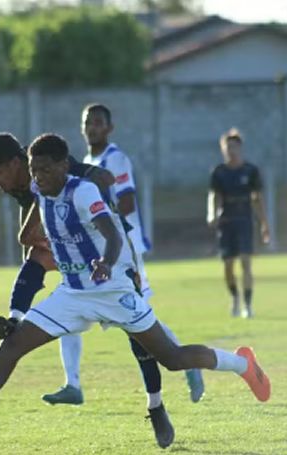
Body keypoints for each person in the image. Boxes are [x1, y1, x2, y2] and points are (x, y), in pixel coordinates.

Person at [0, 133, 271, 452]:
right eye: (35, 172)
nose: (39, 178)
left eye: (46, 171)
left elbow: (112, 234)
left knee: (172, 358)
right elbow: (31, 242)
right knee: (13, 345)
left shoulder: (82, 192)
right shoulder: (39, 189)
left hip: (112, 290)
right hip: (72, 294)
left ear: (64, 167)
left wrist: (106, 262)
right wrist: (17, 308)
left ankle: (243, 365)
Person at [0, 132, 175, 447]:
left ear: (17, 164)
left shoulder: (42, 165)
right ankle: (20, 325)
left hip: (113, 253)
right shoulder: (24, 188)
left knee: (139, 335)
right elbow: (28, 235)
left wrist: (94, 220)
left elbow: (101, 177)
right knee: (33, 261)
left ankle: (156, 404)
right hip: (75, 259)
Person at [75, 102, 205, 403]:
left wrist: (102, 219)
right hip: (107, 250)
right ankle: (73, 383)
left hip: (126, 248)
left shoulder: (115, 159)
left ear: (109, 128)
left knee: (140, 315)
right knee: (134, 317)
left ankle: (189, 362)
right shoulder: (86, 160)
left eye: (97, 122)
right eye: (87, 123)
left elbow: (128, 202)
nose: (91, 128)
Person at [207, 128, 270, 318]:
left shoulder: (250, 171)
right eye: (227, 147)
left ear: (240, 148)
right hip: (227, 221)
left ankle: (248, 305)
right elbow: (214, 195)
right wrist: (212, 214)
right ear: (222, 149)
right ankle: (235, 297)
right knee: (228, 266)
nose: (230, 151)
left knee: (246, 263)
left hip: (244, 220)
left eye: (234, 147)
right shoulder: (219, 172)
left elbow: (258, 198)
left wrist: (264, 224)